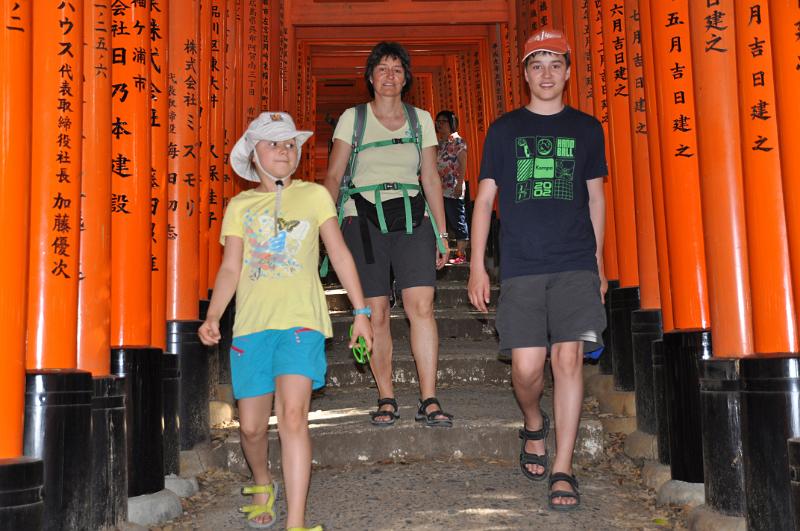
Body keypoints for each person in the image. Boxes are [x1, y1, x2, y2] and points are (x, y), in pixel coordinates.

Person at [199, 111, 373, 530]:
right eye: (273, 143)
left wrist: (362, 312)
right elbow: (230, 268)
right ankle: (262, 482)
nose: (283, 150)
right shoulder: (240, 206)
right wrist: (213, 315)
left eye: (289, 143)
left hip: (302, 323)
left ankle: (296, 522)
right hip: (253, 327)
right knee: (254, 430)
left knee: (294, 416)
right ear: (252, 154)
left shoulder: (315, 197)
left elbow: (341, 254)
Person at [467, 28, 608, 511]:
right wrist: (477, 267)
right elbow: (484, 200)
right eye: (536, 65)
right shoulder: (504, 130)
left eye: (554, 64)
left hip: (573, 261)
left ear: (568, 72)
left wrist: (599, 263)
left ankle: (563, 468)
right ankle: (533, 422)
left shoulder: (587, 128)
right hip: (522, 264)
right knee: (527, 369)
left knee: (566, 361)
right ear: (524, 73)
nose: (546, 73)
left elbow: (595, 198)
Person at [324, 41, 453, 428]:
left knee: (422, 307)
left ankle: (429, 398)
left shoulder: (421, 120)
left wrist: (443, 233)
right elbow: (333, 174)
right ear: (370, 77)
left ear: (406, 78)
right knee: (376, 312)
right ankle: (386, 396)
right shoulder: (353, 118)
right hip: (361, 219)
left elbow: (430, 177)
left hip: (413, 215)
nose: (389, 76)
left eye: (397, 69)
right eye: (382, 69)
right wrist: (323, 223)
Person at [435, 110, 470, 264]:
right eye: (438, 122)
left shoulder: (458, 141)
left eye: (443, 121)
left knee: (457, 219)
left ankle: (462, 254)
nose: (440, 124)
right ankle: (443, 251)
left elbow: (463, 163)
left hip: (453, 186)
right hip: (440, 188)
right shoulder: (440, 143)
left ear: (451, 123)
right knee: (442, 220)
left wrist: (460, 183)